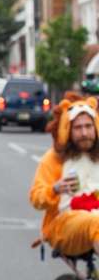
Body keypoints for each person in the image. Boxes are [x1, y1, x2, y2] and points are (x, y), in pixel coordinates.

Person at [30, 94, 99, 260]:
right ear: (67, 130)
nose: (84, 133)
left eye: (88, 126)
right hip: (62, 225)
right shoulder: (54, 159)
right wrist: (54, 189)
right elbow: (36, 198)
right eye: (78, 128)